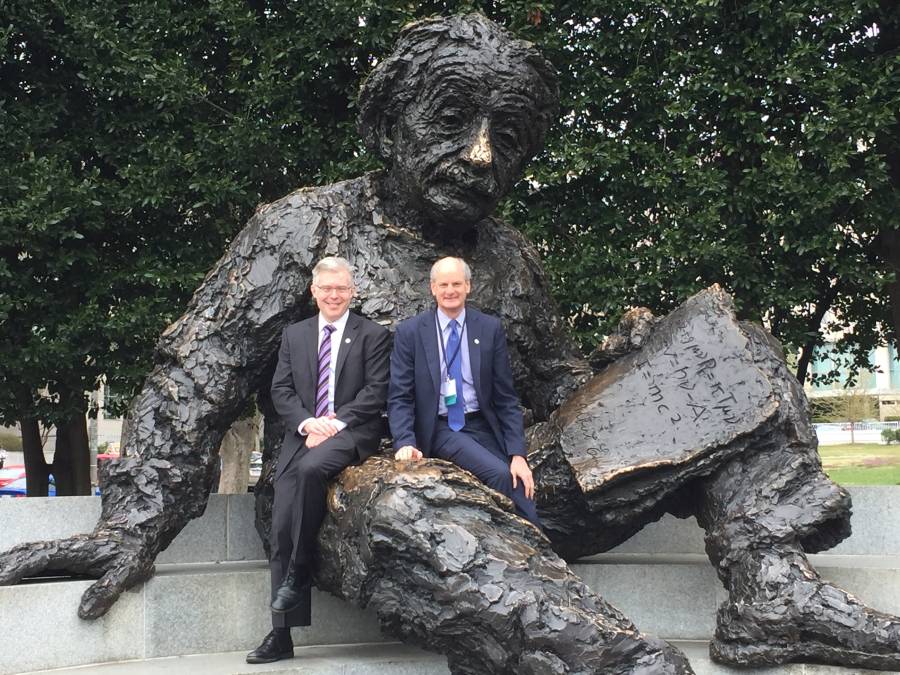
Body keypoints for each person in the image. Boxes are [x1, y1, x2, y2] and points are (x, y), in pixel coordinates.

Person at [246, 256, 391, 664]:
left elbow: (376, 392)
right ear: (314, 291)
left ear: (353, 291)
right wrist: (309, 423)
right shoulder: (294, 335)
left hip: (352, 432)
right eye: (326, 288)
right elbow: (281, 390)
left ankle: (301, 567)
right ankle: (282, 635)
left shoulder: (373, 335)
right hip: (305, 433)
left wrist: (334, 423)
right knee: (281, 525)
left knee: (312, 469)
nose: (333, 295)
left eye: (341, 288)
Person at [388, 256, 539, 526]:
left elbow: (505, 397)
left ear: (468, 286)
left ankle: (538, 545)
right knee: (499, 474)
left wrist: (518, 454)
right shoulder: (411, 332)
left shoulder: (489, 328)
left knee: (519, 479)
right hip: (441, 427)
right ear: (433, 288)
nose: (450, 291)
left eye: (457, 284)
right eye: (443, 284)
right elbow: (400, 395)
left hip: (482, 423)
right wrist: (405, 442)